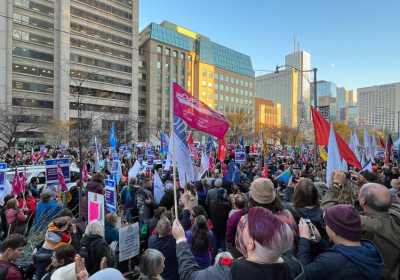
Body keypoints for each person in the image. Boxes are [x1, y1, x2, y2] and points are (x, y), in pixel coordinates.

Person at [172, 207, 304, 280]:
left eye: (247, 225)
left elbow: (190, 276)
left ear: (251, 243)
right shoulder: (295, 265)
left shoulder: (228, 272)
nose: (243, 221)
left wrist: (180, 240)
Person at [331, 171, 400, 280]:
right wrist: (365, 183)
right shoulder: (396, 213)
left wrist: (336, 186)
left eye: (359, 193)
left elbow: (329, 214)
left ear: (363, 200)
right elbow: (383, 196)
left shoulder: (367, 224)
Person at [297, 204, 383, 280]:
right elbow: (343, 256)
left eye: (326, 224)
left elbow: (302, 273)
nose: (325, 227)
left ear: (335, 230)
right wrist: (320, 242)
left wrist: (305, 239)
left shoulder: (329, 261)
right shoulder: (369, 249)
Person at [236, 178, 299, 255]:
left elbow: (241, 247)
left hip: (258, 265)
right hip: (287, 264)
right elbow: (295, 241)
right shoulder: (287, 215)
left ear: (251, 196)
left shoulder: (245, 221)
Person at [148, 194, 192, 280]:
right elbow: (185, 222)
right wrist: (187, 202)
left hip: (160, 275)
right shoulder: (173, 240)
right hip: (174, 276)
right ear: (170, 229)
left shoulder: (151, 240)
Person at [208, 188, 230, 261]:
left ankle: (214, 258)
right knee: (223, 242)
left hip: (215, 225)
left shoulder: (212, 203)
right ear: (223, 195)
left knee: (216, 242)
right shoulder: (227, 205)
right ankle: (224, 258)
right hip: (223, 226)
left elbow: (210, 213)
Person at [225, 194, 247, 259]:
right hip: (247, 242)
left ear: (234, 204)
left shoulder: (232, 219)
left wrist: (228, 244)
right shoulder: (249, 211)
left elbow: (229, 237)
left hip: (237, 246)